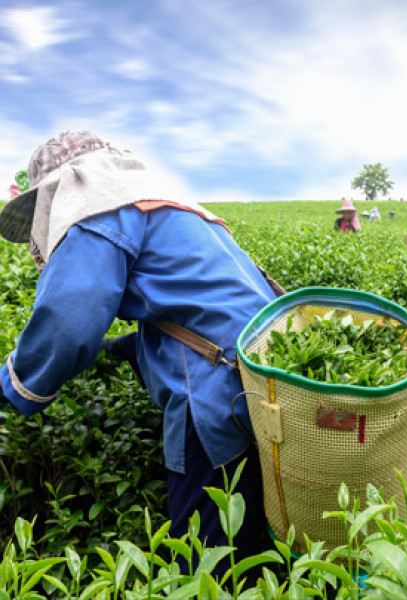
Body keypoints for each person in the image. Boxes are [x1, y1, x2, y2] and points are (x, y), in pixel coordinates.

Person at [0, 131, 276, 579]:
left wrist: (13, 386)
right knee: (248, 534)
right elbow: (194, 306)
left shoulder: (98, 208)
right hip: (260, 372)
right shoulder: (166, 206)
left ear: (63, 186)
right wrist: (120, 351)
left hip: (212, 389)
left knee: (205, 557)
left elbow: (67, 323)